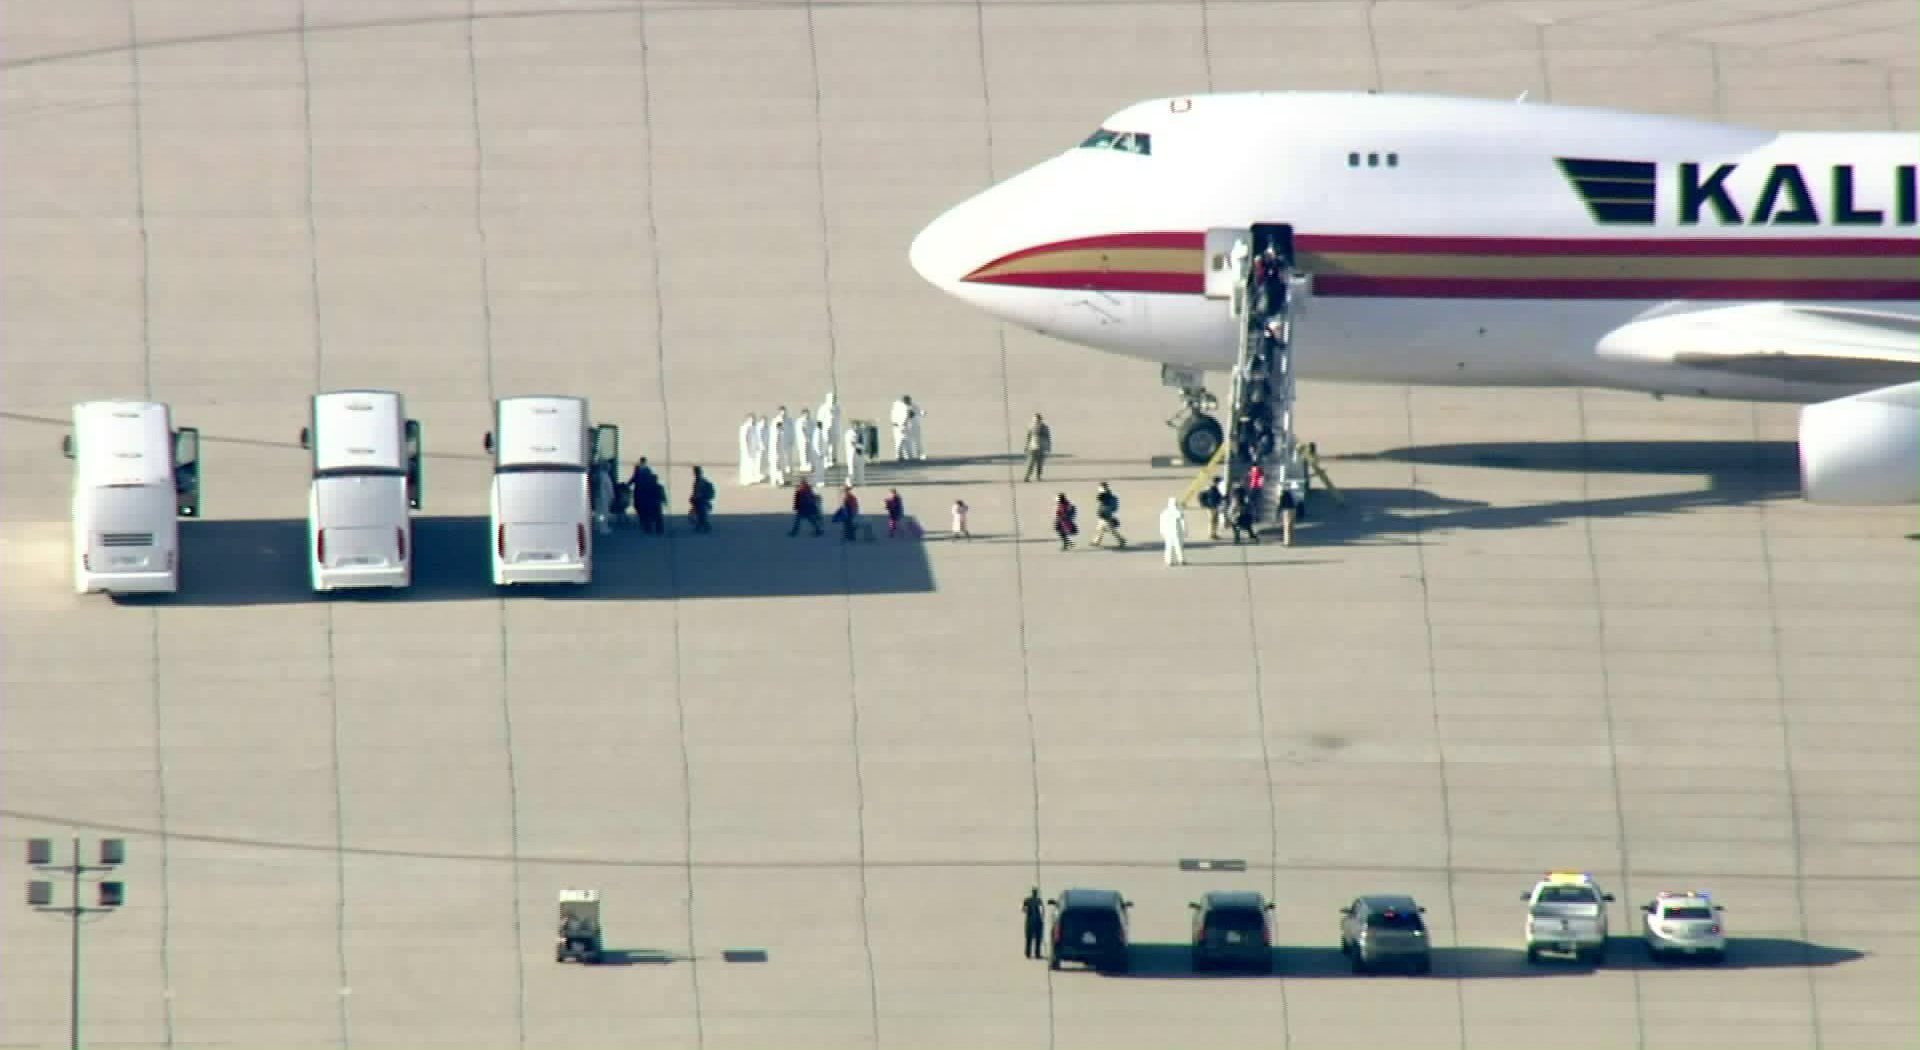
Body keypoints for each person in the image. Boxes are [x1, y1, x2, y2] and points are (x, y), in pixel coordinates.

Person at [630, 458, 664, 535]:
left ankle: (647, 525)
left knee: (645, 510)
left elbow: (634, 479)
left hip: (644, 493)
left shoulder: (646, 470)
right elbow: (633, 478)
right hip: (640, 492)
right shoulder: (638, 470)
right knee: (639, 507)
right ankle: (647, 524)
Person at [1091, 482, 1126, 548]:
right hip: (1103, 515)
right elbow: (1113, 508)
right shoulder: (1107, 496)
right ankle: (1096, 541)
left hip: (1105, 516)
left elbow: (1100, 499)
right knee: (1100, 529)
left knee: (1110, 530)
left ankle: (1121, 540)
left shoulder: (1106, 496)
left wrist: (1106, 513)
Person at [1023, 413, 1051, 482]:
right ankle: (1027, 477)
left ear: (1040, 420)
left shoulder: (1045, 427)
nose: (1036, 421)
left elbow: (1048, 437)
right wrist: (1026, 446)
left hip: (1041, 447)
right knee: (1031, 463)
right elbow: (1028, 437)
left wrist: (1048, 446)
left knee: (1040, 463)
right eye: (1035, 420)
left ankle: (1038, 477)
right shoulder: (1031, 426)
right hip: (1033, 447)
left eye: (1037, 420)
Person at [1159, 497, 1187, 566]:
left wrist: (1162, 532)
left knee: (1168, 547)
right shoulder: (1178, 512)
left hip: (1168, 533)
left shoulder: (1164, 512)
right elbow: (1182, 522)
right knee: (1178, 547)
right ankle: (1181, 560)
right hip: (1176, 532)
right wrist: (1185, 531)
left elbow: (1161, 523)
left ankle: (1169, 561)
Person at [889, 395, 918, 461]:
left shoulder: (898, 407)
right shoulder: (902, 407)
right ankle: (902, 456)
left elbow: (910, 415)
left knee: (903, 442)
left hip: (901, 427)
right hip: (900, 427)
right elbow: (905, 416)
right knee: (902, 442)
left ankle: (903, 456)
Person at [818, 390, 841, 467]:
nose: (832, 399)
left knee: (832, 445)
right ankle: (826, 460)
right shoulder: (823, 407)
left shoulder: (836, 407)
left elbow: (838, 417)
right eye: (831, 398)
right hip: (826, 429)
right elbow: (820, 420)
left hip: (834, 429)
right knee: (826, 444)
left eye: (833, 398)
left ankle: (832, 459)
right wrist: (821, 430)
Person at [768, 407, 790, 486]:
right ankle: (776, 481)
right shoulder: (776, 433)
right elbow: (775, 444)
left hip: (779, 452)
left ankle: (781, 481)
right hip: (775, 453)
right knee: (776, 467)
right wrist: (777, 454)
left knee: (780, 466)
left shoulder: (780, 432)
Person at [688, 466, 714, 533]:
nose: (694, 473)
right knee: (697, 515)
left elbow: (698, 492)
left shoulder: (700, 481)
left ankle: (704, 527)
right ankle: (700, 526)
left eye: (695, 471)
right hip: (700, 501)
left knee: (700, 515)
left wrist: (694, 498)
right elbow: (696, 492)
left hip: (701, 501)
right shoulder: (699, 480)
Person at [1197, 475, 1223, 540]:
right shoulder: (1210, 488)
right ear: (1216, 482)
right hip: (1211, 506)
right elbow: (1201, 496)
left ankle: (1214, 533)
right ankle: (1211, 534)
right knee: (1212, 520)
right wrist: (1204, 504)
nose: (1219, 483)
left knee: (1215, 520)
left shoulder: (1214, 488)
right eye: (1219, 482)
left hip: (1214, 506)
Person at [591, 462, 614, 535]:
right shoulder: (605, 476)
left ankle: (598, 526)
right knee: (604, 513)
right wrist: (612, 495)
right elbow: (609, 488)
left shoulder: (598, 475)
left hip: (598, 497)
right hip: (604, 497)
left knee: (599, 513)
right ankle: (603, 527)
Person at [1023, 888, 1046, 959]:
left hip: (1029, 921)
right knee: (1038, 939)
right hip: (1037, 922)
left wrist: (1027, 911)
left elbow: (1022, 908)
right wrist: (1042, 919)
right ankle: (1037, 954)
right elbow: (1042, 910)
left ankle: (1028, 953)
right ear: (1036, 893)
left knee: (1028, 938)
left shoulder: (1027, 900)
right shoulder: (1039, 900)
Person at [737, 413, 757, 486]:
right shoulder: (745, 427)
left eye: (753, 419)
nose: (752, 420)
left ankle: (750, 478)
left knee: (751, 464)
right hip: (746, 450)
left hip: (752, 449)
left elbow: (755, 439)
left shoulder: (753, 427)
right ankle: (744, 480)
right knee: (746, 464)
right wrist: (746, 450)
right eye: (751, 419)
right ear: (747, 419)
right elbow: (744, 439)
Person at [795, 407, 815, 473]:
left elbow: (813, 429)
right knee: (803, 452)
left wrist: (811, 437)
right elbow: (801, 430)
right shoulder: (800, 421)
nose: (808, 415)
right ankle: (804, 465)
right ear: (803, 414)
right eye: (806, 414)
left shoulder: (811, 421)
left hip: (810, 438)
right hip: (802, 440)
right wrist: (805, 437)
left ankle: (809, 464)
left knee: (809, 452)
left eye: (808, 413)